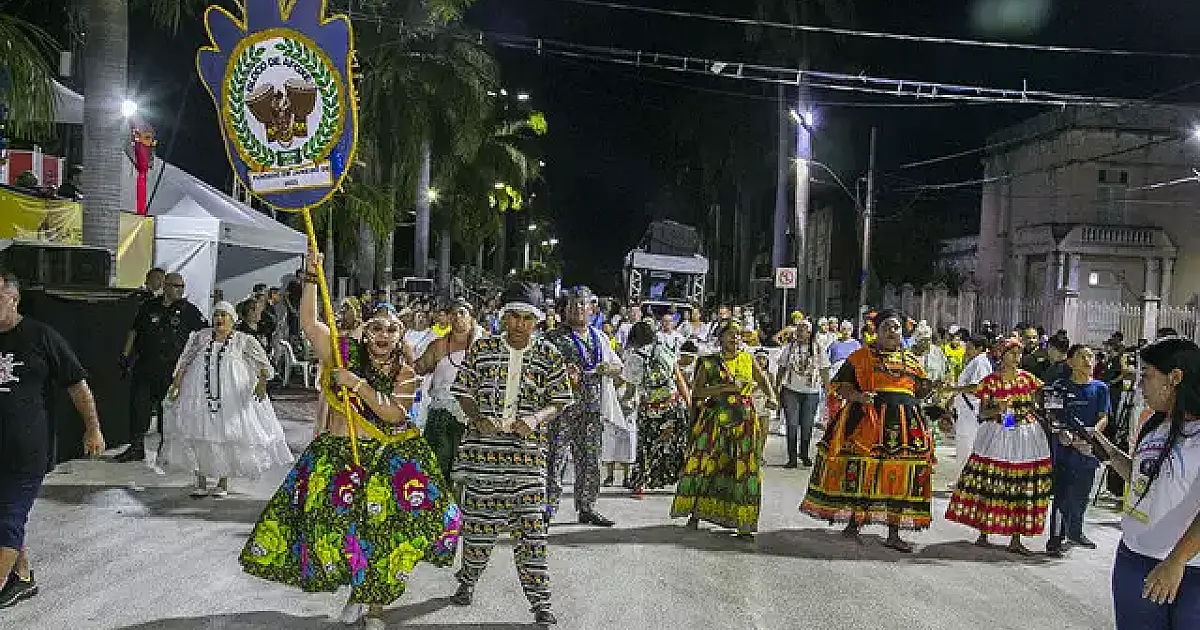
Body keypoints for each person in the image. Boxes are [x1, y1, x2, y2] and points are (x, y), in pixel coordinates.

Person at [240, 251, 458, 630]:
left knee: (382, 534)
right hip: (338, 458)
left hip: (387, 461)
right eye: (376, 328)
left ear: (400, 334)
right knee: (334, 530)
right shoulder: (343, 353)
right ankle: (357, 592)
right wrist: (311, 277)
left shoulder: (405, 371)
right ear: (365, 330)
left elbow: (393, 413)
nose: (383, 336)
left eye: (391, 330)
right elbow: (309, 323)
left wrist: (357, 385)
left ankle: (373, 604)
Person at [448, 282, 573, 626]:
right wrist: (477, 417)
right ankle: (468, 581)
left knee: (532, 531)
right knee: (478, 530)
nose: (519, 325)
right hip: (485, 453)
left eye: (527, 318)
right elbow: (462, 390)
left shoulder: (549, 355)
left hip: (528, 455)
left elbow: (559, 399)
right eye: (513, 317)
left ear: (537, 320)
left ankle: (541, 605)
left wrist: (535, 418)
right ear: (503, 318)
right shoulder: (483, 349)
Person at [0, 273, 105, 609]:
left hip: (26, 449)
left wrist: (93, 428)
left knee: (8, 519)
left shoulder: (41, 336)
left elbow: (77, 385)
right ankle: (23, 578)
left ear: (13, 298)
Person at [800, 310, 933, 552]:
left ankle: (894, 532)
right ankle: (853, 523)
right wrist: (860, 396)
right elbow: (840, 387)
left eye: (896, 327)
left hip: (905, 426)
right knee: (863, 469)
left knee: (900, 474)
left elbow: (920, 392)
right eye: (887, 327)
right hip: (867, 420)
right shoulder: (861, 356)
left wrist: (930, 389)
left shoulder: (913, 360)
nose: (892, 332)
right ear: (877, 330)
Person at [1093, 337, 1200, 629]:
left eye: (1147, 376)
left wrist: (1176, 560)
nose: (1141, 385)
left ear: (1175, 378)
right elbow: (1146, 480)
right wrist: (1104, 450)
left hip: (1190, 571)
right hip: (1135, 558)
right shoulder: (1154, 424)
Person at [161, 301, 293, 498]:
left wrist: (262, 383)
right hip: (198, 396)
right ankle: (201, 481)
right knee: (198, 434)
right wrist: (177, 384)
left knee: (226, 435)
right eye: (216, 315)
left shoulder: (243, 340)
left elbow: (263, 364)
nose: (219, 319)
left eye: (224, 315)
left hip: (230, 398)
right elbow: (185, 360)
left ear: (233, 319)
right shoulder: (201, 337)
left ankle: (223, 481)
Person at [944, 338, 1052, 555]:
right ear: (1001, 355)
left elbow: (1038, 404)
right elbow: (982, 413)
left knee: (1022, 482)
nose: (1016, 357)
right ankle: (984, 532)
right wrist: (998, 409)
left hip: (1025, 435)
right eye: (1011, 353)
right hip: (998, 434)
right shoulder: (990, 382)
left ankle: (1016, 537)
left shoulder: (1029, 380)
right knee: (992, 480)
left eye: (1018, 353)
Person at [671, 320, 776, 538]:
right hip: (714, 420)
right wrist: (725, 387)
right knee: (708, 464)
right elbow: (698, 391)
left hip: (744, 421)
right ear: (721, 338)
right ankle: (696, 512)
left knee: (744, 470)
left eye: (738, 335)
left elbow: (762, 379)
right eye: (731, 335)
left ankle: (744, 522)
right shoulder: (709, 362)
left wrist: (772, 396)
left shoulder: (748, 358)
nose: (735, 339)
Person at [544, 286, 624, 527]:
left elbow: (619, 367)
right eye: (574, 304)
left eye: (583, 304)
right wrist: (561, 373)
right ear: (565, 310)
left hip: (592, 409)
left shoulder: (599, 337)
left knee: (590, 459)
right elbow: (539, 370)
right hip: (561, 410)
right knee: (555, 459)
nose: (579, 308)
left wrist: (607, 369)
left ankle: (587, 507)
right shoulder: (553, 338)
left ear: (592, 309)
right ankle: (547, 509)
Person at [117, 272, 207, 463]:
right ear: (165, 286)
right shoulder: (149, 307)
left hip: (172, 370)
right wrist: (125, 356)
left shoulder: (189, 311)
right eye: (176, 286)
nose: (180, 290)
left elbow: (203, 334)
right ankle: (136, 448)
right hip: (146, 366)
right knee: (139, 407)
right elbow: (134, 331)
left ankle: (166, 450)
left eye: (182, 287)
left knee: (167, 412)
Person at [1045, 344, 1109, 556]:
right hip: (1064, 450)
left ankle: (1076, 531)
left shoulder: (1101, 388)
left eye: (1091, 356)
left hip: (1088, 450)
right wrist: (1062, 433)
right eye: (1082, 357)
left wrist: (1092, 434)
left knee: (1082, 494)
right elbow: (1052, 415)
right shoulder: (1059, 386)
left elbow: (1104, 417)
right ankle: (1056, 537)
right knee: (1062, 495)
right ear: (1070, 362)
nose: (1088, 361)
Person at [415, 298, 483, 485]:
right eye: (453, 313)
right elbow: (419, 368)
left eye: (462, 313)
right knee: (437, 467)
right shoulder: (438, 345)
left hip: (473, 416)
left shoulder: (484, 345)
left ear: (472, 318)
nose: (457, 317)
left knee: (468, 471)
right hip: (441, 413)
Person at [621, 320, 690, 496]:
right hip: (673, 405)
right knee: (677, 446)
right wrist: (689, 402)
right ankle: (682, 481)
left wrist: (620, 402)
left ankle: (641, 483)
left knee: (646, 446)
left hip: (650, 409)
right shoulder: (664, 349)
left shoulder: (634, 357)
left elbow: (630, 390)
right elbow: (678, 377)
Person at [775, 319, 830, 468]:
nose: (799, 332)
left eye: (803, 329)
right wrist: (776, 387)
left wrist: (828, 389)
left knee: (807, 425)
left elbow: (824, 369)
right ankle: (792, 457)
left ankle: (804, 454)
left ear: (810, 332)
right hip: (790, 391)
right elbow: (781, 368)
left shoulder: (818, 348)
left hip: (811, 392)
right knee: (791, 425)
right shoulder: (789, 347)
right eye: (798, 329)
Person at [941, 335, 993, 485]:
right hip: (965, 411)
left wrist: (954, 389)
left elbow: (976, 387)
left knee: (967, 447)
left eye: (970, 347)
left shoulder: (980, 362)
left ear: (979, 348)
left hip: (971, 412)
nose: (966, 350)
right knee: (963, 446)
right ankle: (962, 479)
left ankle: (966, 481)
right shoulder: (974, 362)